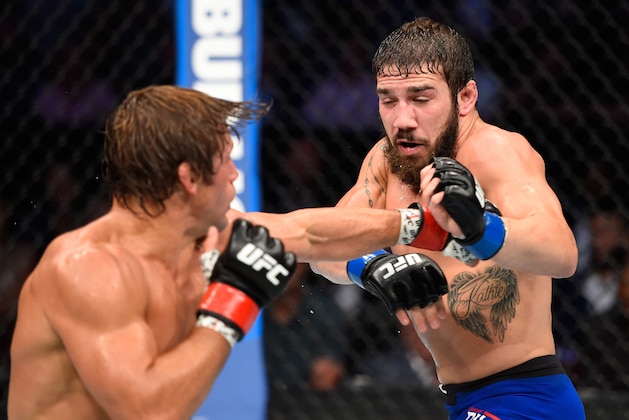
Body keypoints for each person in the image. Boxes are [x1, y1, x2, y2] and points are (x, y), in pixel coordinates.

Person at [8, 84, 452, 419]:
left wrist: (422, 225)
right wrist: (233, 302)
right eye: (225, 160)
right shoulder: (87, 269)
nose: (235, 175)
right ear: (188, 178)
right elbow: (147, 411)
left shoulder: (204, 235)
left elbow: (310, 233)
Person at [310, 17, 584, 419]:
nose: (403, 119)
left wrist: (480, 229)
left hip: (526, 398)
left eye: (421, 98)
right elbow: (324, 248)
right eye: (389, 100)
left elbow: (563, 254)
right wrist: (371, 267)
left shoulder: (498, 151)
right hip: (464, 400)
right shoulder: (385, 159)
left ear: (466, 96)